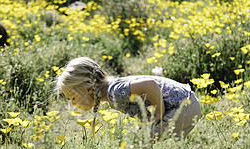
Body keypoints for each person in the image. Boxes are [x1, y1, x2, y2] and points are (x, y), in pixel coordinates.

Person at [55, 57, 201, 139]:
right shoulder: (113, 88)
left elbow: (149, 85)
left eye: (73, 98)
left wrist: (158, 113)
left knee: (138, 143)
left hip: (182, 106)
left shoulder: (114, 92)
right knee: (139, 138)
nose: (73, 104)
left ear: (88, 89)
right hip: (187, 101)